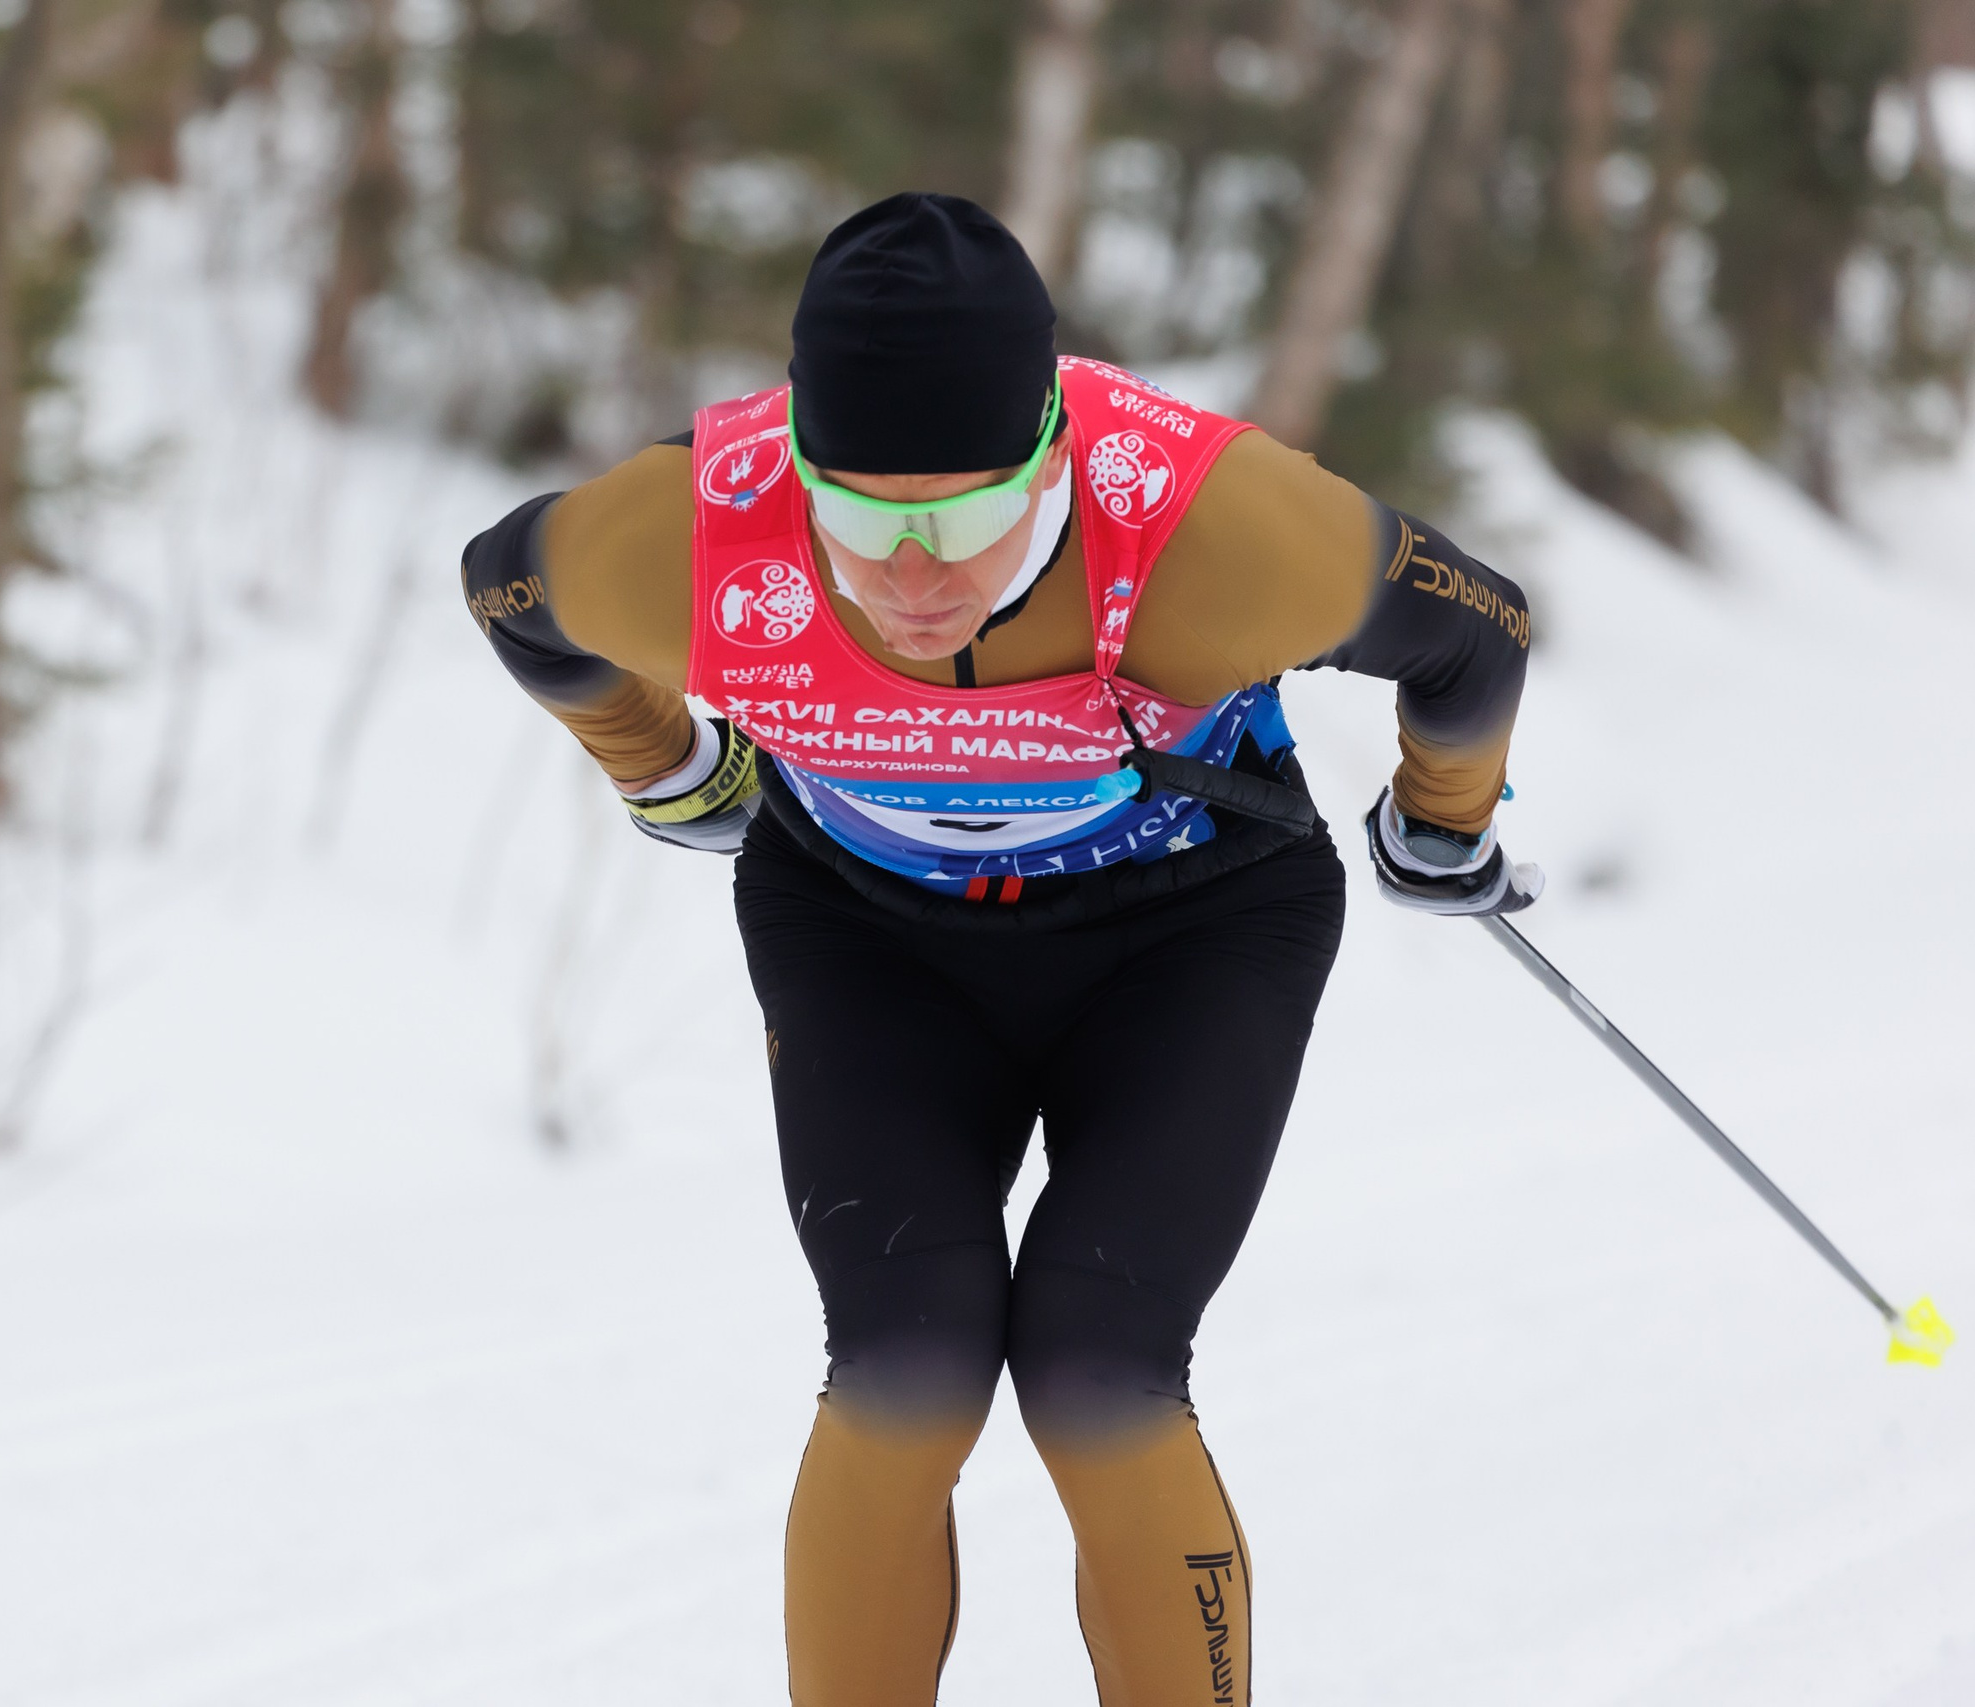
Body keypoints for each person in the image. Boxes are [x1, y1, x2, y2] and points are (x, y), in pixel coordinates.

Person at [461, 192, 1537, 1707]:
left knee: (1099, 1364)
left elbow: (1476, 632)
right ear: (799, 468)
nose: (917, 580)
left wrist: (1443, 821)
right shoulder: (699, 534)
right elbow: (508, 591)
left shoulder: (1208, 525)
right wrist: (670, 769)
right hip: (868, 934)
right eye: (861, 523)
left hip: (1192, 929)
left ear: (1050, 456)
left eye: (968, 522)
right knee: (905, 1363)